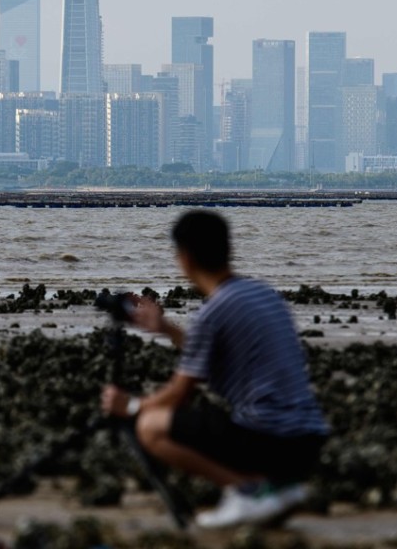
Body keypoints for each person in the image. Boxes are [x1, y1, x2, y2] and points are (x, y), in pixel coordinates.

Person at [101, 210, 329, 529]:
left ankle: (249, 491)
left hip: (272, 441)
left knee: (151, 425)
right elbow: (218, 357)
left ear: (184, 259)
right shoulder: (262, 294)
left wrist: (131, 406)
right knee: (187, 417)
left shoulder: (214, 312)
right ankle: (272, 488)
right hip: (307, 441)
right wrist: (166, 329)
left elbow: (180, 394)